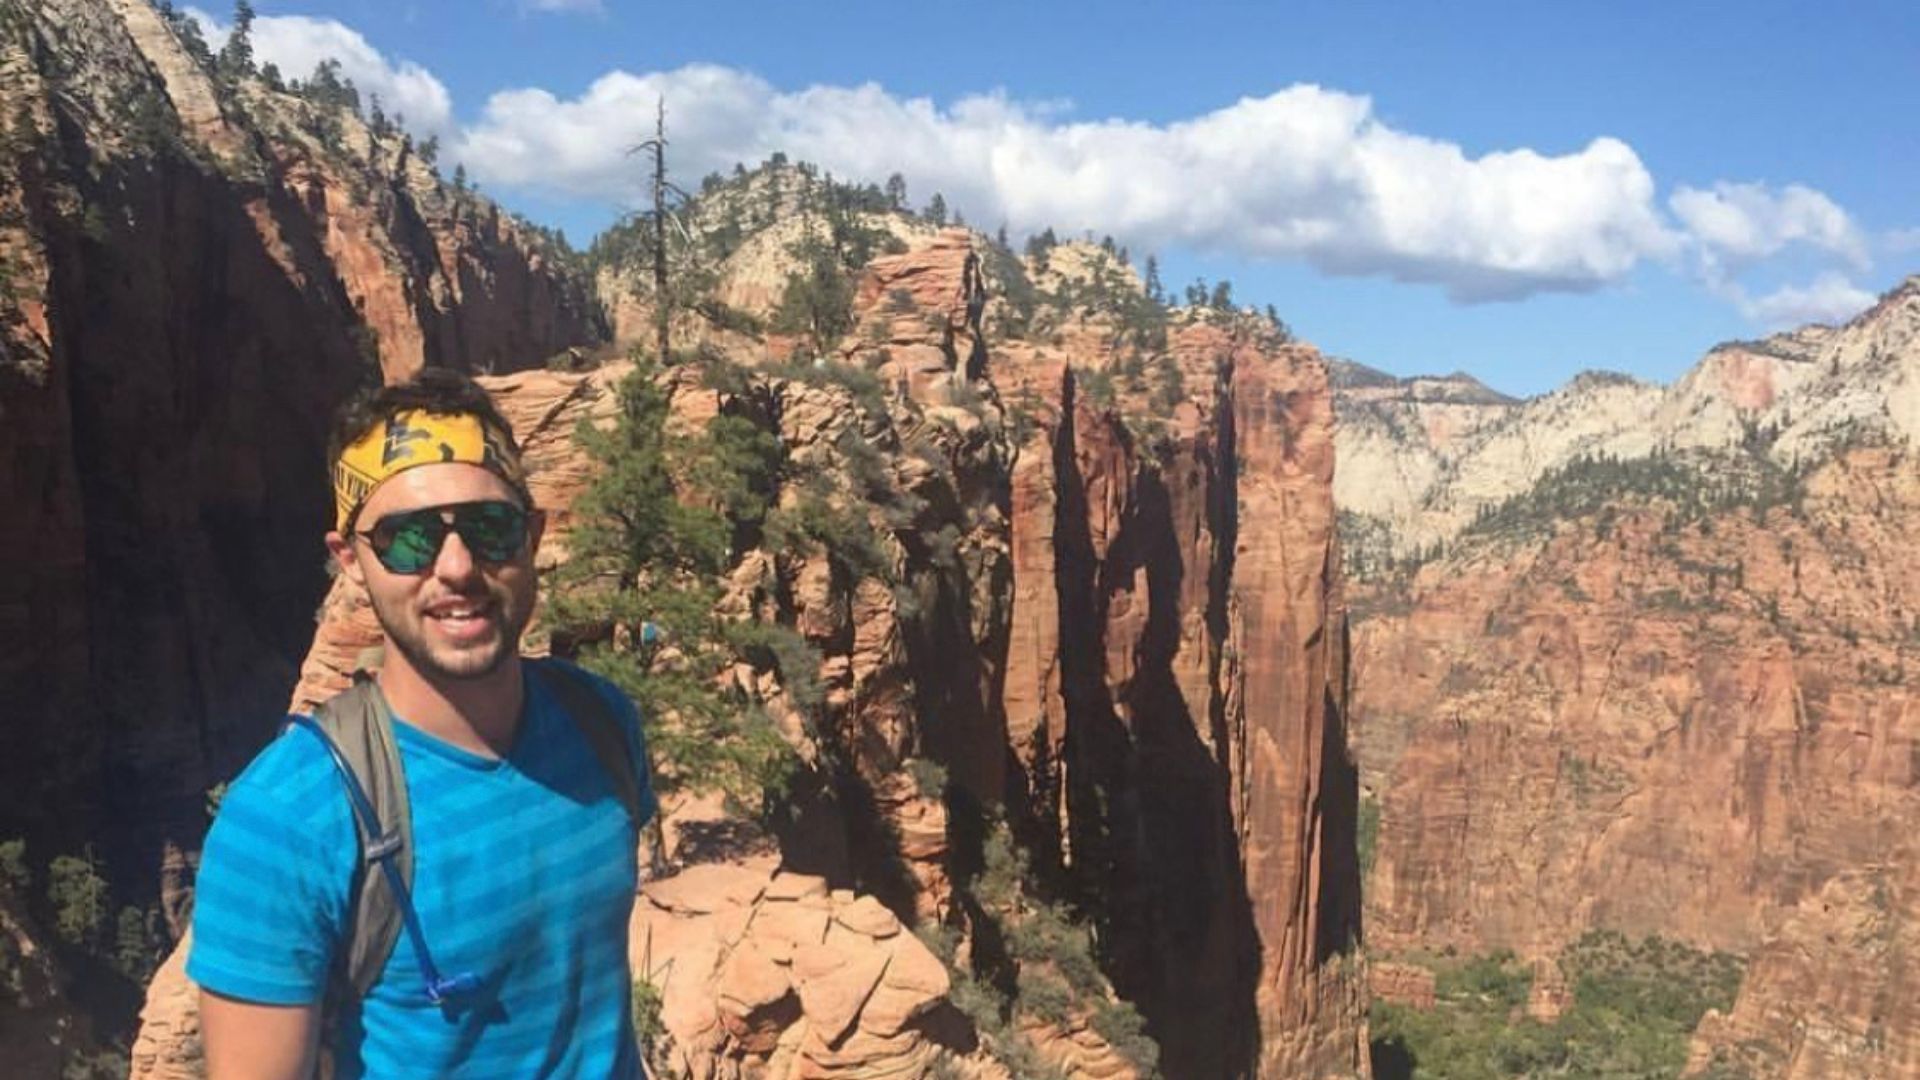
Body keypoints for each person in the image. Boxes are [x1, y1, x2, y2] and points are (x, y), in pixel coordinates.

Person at [188, 369, 656, 1078]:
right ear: (351, 561)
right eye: (408, 541)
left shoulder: (603, 726)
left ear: (532, 535)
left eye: (489, 528)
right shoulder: (286, 821)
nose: (457, 567)